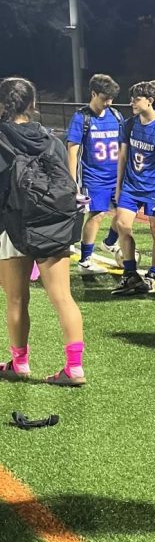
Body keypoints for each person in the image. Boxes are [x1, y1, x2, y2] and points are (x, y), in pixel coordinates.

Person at [0, 77, 87, 385]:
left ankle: (19, 363)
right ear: (33, 105)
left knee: (16, 299)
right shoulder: (51, 138)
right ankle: (74, 367)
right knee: (63, 296)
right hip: (52, 224)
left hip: (11, 227)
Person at [111, 81, 155, 296]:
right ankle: (130, 274)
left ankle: (154, 275)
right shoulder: (129, 124)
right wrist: (119, 186)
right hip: (131, 185)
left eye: (137, 98)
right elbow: (122, 156)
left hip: (154, 189)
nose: (132, 102)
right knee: (122, 224)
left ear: (150, 101)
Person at [65, 74, 123, 272]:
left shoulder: (116, 116)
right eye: (104, 98)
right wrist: (73, 182)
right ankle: (85, 260)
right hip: (94, 178)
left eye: (111, 99)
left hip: (117, 177)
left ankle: (109, 242)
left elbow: (123, 147)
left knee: (125, 212)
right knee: (97, 215)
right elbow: (72, 152)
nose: (108, 102)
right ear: (93, 93)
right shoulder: (81, 117)